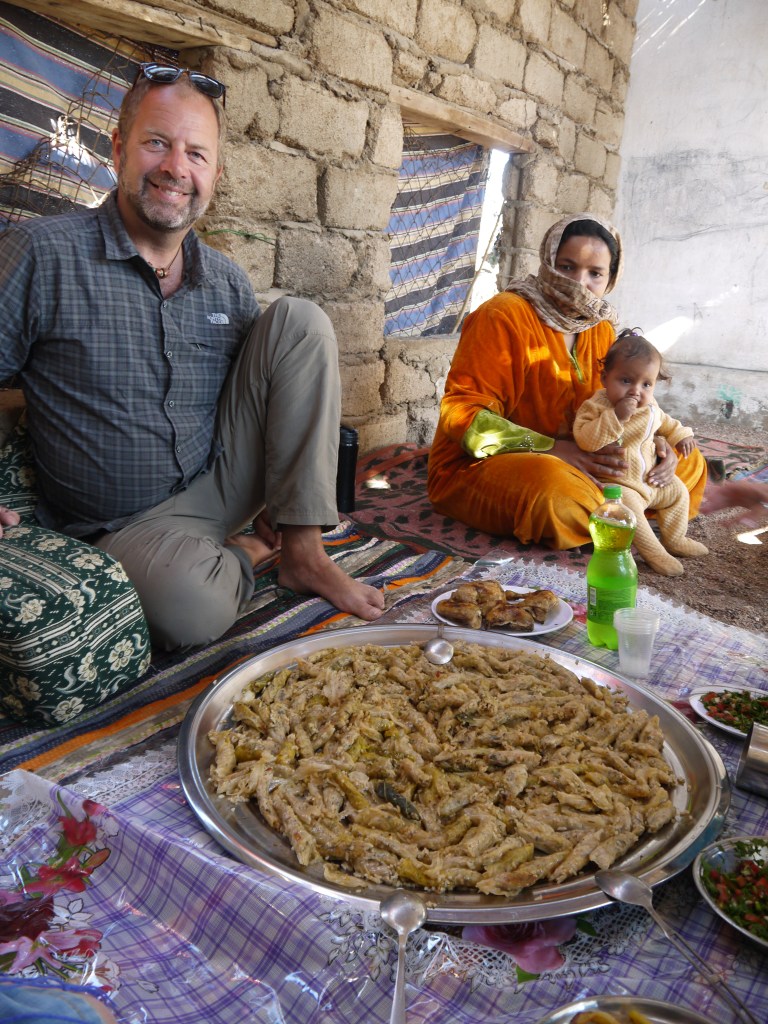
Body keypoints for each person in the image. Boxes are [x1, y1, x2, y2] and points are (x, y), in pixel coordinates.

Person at [0, 63, 383, 649]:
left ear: (215, 174)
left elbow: (266, 394)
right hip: (127, 528)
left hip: (223, 483)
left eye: (196, 154)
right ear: (119, 149)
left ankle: (303, 551)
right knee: (189, 608)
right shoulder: (43, 254)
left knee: (301, 321)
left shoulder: (225, 281)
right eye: (158, 143)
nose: (177, 168)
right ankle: (255, 548)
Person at [427, 213, 707, 549]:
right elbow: (463, 419)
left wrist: (654, 438)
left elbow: (621, 398)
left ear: (611, 278)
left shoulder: (600, 328)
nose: (579, 282)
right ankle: (624, 511)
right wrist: (554, 449)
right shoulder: (501, 316)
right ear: (548, 262)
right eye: (567, 267)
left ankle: (618, 509)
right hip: (490, 466)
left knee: (687, 461)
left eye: (595, 273)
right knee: (554, 494)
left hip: (587, 457)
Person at [573, 329, 708, 575]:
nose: (636, 391)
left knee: (678, 492)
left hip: (651, 481)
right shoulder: (596, 406)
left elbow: (665, 422)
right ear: (605, 378)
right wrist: (617, 417)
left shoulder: (650, 406)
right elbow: (585, 439)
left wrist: (681, 435)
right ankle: (655, 553)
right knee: (630, 512)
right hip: (619, 483)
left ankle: (675, 539)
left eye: (646, 384)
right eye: (626, 381)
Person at [699, 478, 768, 530]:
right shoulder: (742, 489)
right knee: (731, 495)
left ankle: (709, 505)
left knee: (731, 498)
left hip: (748, 496)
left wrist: (733, 521)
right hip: (748, 493)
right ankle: (709, 504)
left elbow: (760, 509)